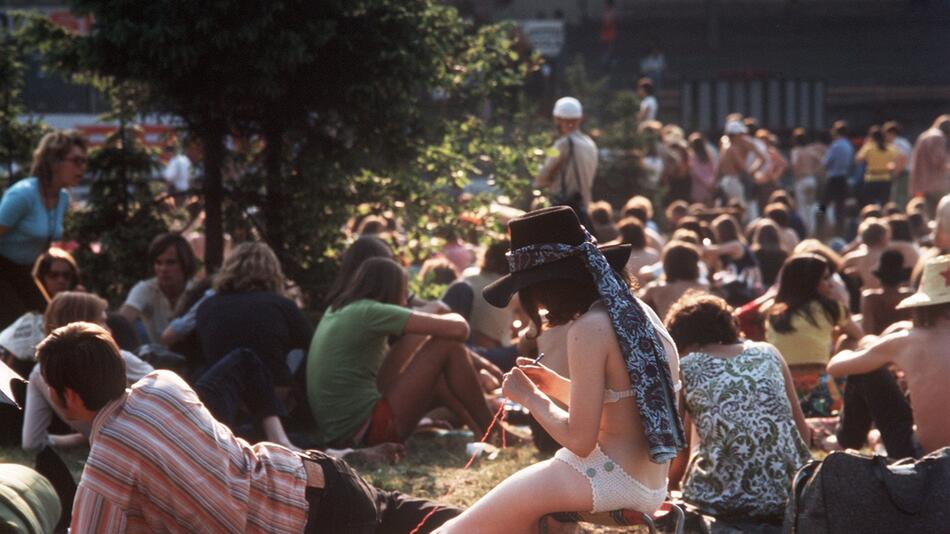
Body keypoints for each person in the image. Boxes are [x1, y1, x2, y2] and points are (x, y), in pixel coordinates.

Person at [36, 322, 459, 533]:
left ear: (70, 397)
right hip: (321, 480)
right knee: (449, 521)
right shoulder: (163, 384)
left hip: (310, 527)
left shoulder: (104, 472)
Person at [436, 206, 684, 533]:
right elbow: (626, 402)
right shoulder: (638, 313)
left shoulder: (590, 327)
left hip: (610, 477)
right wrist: (550, 386)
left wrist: (529, 398)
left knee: (456, 530)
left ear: (547, 286)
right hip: (652, 483)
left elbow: (579, 440)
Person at [307, 257, 496, 448]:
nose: (406, 300)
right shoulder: (371, 311)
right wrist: (447, 311)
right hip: (367, 430)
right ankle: (494, 431)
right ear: (393, 289)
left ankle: (481, 430)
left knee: (421, 342)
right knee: (446, 344)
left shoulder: (339, 309)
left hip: (343, 432)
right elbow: (460, 329)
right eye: (404, 292)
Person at [667, 292, 810, 525]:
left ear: (683, 340)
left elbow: (677, 445)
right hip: (787, 494)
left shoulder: (687, 366)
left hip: (719, 500)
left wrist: (669, 488)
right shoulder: (768, 352)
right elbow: (801, 431)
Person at [827, 254, 950, 456]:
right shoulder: (906, 340)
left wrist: (865, 346)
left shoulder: (907, 340)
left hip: (921, 456)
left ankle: (845, 442)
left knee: (866, 372)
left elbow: (835, 367)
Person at [0, 131, 87, 329]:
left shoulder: (63, 198)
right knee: (20, 327)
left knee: (50, 322)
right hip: (2, 268)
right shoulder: (22, 195)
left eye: (84, 161)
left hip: (25, 270)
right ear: (54, 161)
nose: (82, 167)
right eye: (76, 161)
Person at [764, 254, 863, 417]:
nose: (831, 284)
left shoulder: (773, 313)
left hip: (782, 387)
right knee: (849, 340)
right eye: (825, 279)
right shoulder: (830, 308)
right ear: (810, 282)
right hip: (820, 387)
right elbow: (860, 336)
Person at [119, 232, 196, 344]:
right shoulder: (146, 288)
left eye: (171, 262)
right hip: (157, 358)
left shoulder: (196, 291)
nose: (163, 269)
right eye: (158, 263)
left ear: (185, 263)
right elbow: (122, 322)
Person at [536, 97, 598, 227]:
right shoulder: (590, 144)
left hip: (562, 211)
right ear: (580, 119)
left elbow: (541, 178)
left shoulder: (563, 144)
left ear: (558, 119)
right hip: (584, 210)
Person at [640, 241, 708, 320]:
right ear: (694, 264)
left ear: (666, 264)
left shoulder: (655, 289)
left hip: (667, 330)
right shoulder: (703, 287)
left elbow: (634, 305)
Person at [860, 250, 913, 336]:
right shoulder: (910, 296)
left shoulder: (870, 298)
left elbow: (867, 331)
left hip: (878, 344)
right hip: (906, 344)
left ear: (880, 277)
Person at [909, 115, 949, 214]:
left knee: (926, 215)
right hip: (936, 186)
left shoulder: (924, 135)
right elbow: (940, 161)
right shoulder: (937, 137)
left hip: (921, 184)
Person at [855, 125, 904, 208]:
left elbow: (857, 160)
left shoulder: (868, 148)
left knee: (870, 205)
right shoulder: (889, 148)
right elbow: (900, 158)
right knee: (885, 205)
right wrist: (894, 170)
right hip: (885, 179)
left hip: (871, 179)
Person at [790, 127, 824, 236]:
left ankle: (804, 231)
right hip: (811, 179)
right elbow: (821, 162)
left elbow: (794, 165)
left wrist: (796, 175)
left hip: (801, 180)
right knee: (811, 206)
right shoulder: (811, 151)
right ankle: (812, 231)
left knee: (802, 207)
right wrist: (814, 170)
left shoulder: (796, 151)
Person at [822, 121, 855, 234]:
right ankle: (839, 230)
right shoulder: (849, 145)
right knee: (840, 206)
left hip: (833, 177)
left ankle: (820, 227)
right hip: (843, 178)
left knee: (823, 204)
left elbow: (826, 162)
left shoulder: (835, 145)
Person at [842, 218, 890, 291]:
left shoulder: (853, 257)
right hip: (885, 294)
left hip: (865, 294)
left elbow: (838, 269)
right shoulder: (887, 256)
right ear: (882, 237)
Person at [687, 132, 716, 205]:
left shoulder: (693, 157)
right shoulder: (708, 156)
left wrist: (708, 183)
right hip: (709, 187)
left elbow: (697, 172)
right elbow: (713, 170)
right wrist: (711, 183)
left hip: (699, 188)